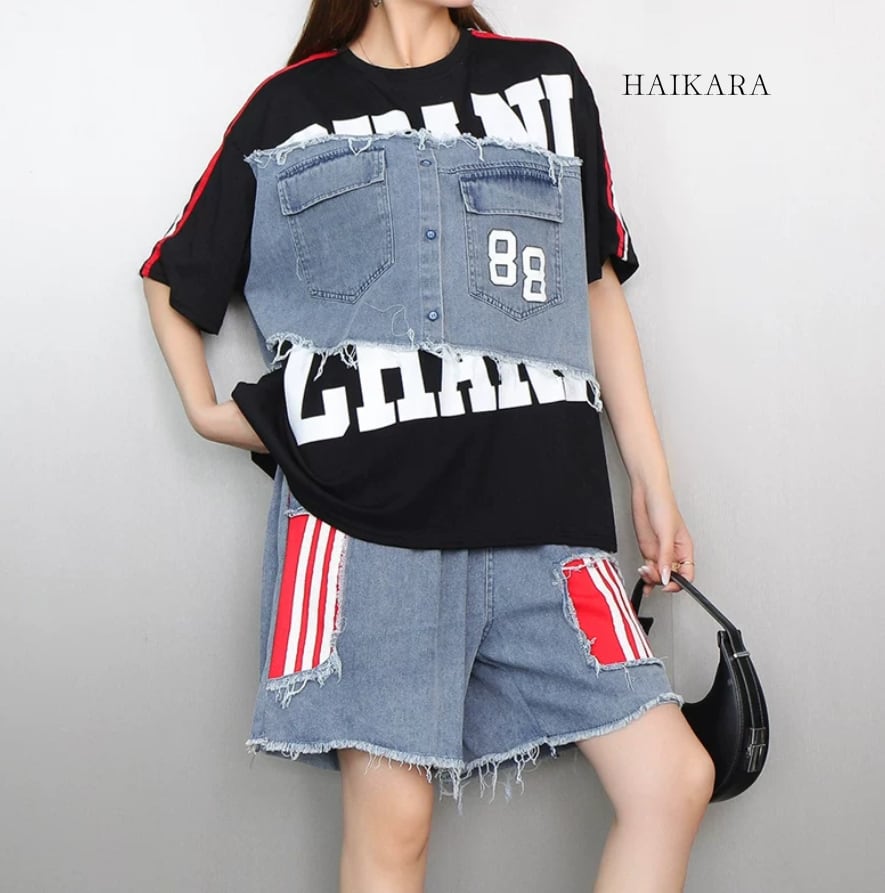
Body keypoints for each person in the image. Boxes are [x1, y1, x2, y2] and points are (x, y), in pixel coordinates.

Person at [140, 1, 715, 890]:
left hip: (542, 510)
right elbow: (174, 275)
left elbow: (592, 282)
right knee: (395, 827)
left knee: (672, 778)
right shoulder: (289, 107)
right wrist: (207, 411)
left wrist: (651, 473)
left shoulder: (544, 79)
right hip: (364, 524)